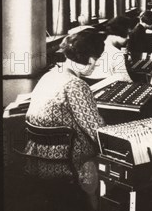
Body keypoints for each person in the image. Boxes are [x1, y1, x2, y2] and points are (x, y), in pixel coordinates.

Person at [25, 30, 106, 199]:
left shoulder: (50, 75)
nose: (96, 64)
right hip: (68, 162)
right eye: (97, 60)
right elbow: (97, 132)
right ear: (91, 59)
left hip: (38, 158)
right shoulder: (75, 85)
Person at [86, 16, 134, 82]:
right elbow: (126, 79)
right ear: (117, 33)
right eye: (127, 34)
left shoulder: (94, 46)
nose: (128, 37)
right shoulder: (117, 53)